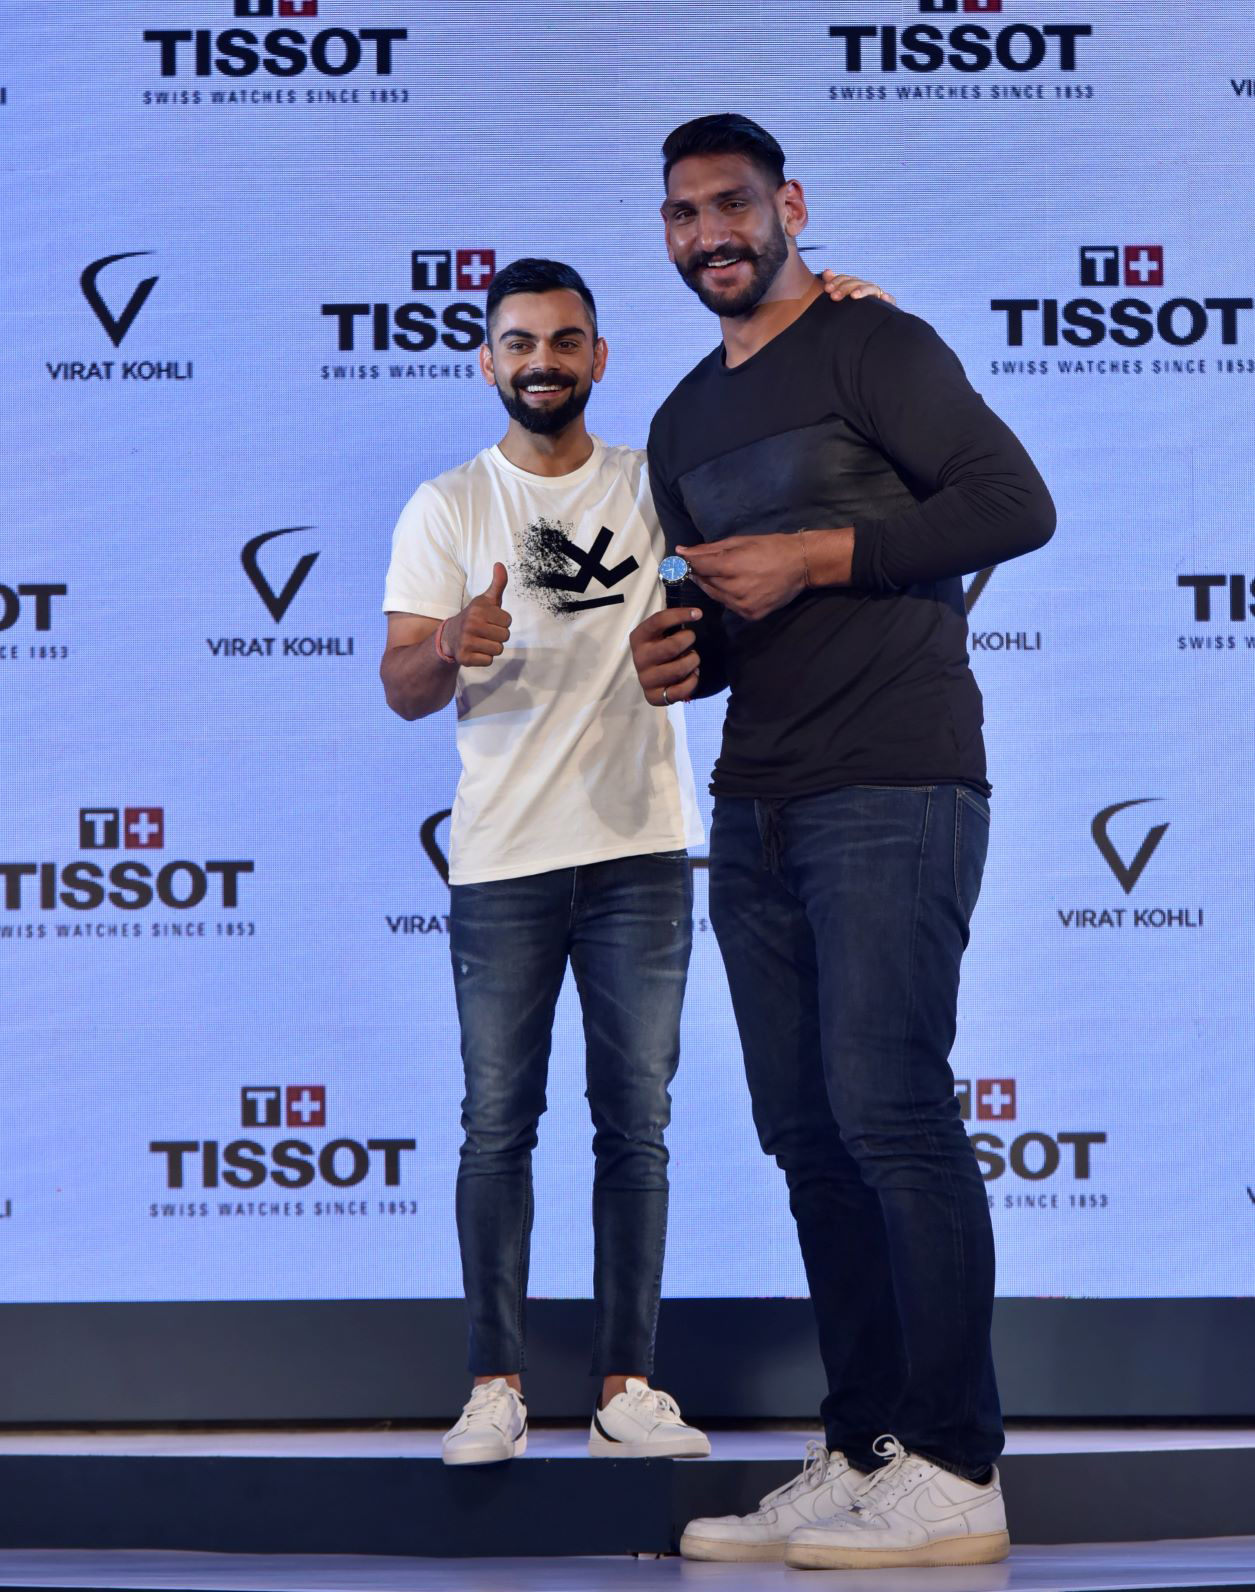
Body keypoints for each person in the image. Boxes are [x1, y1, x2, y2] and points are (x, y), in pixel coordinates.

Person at [630, 114, 1055, 1569]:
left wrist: (817, 553)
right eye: (682, 213)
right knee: (807, 1136)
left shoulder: (877, 343)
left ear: (787, 205)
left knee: (890, 1113)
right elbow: (731, 617)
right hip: (752, 800)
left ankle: (956, 1465)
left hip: (894, 784)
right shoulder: (680, 421)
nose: (708, 233)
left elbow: (1013, 504)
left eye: (730, 203)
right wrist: (683, 656)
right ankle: (867, 1447)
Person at [380, 254, 889, 1467]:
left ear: (598, 357)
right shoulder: (446, 505)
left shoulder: (653, 481)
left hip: (641, 852)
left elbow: (781, 471)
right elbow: (401, 684)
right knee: (495, 1124)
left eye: (565, 340)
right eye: (518, 341)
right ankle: (494, 1386)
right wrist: (449, 640)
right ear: (487, 359)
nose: (541, 361)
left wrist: (840, 324)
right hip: (502, 858)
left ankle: (626, 1386)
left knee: (636, 1125)